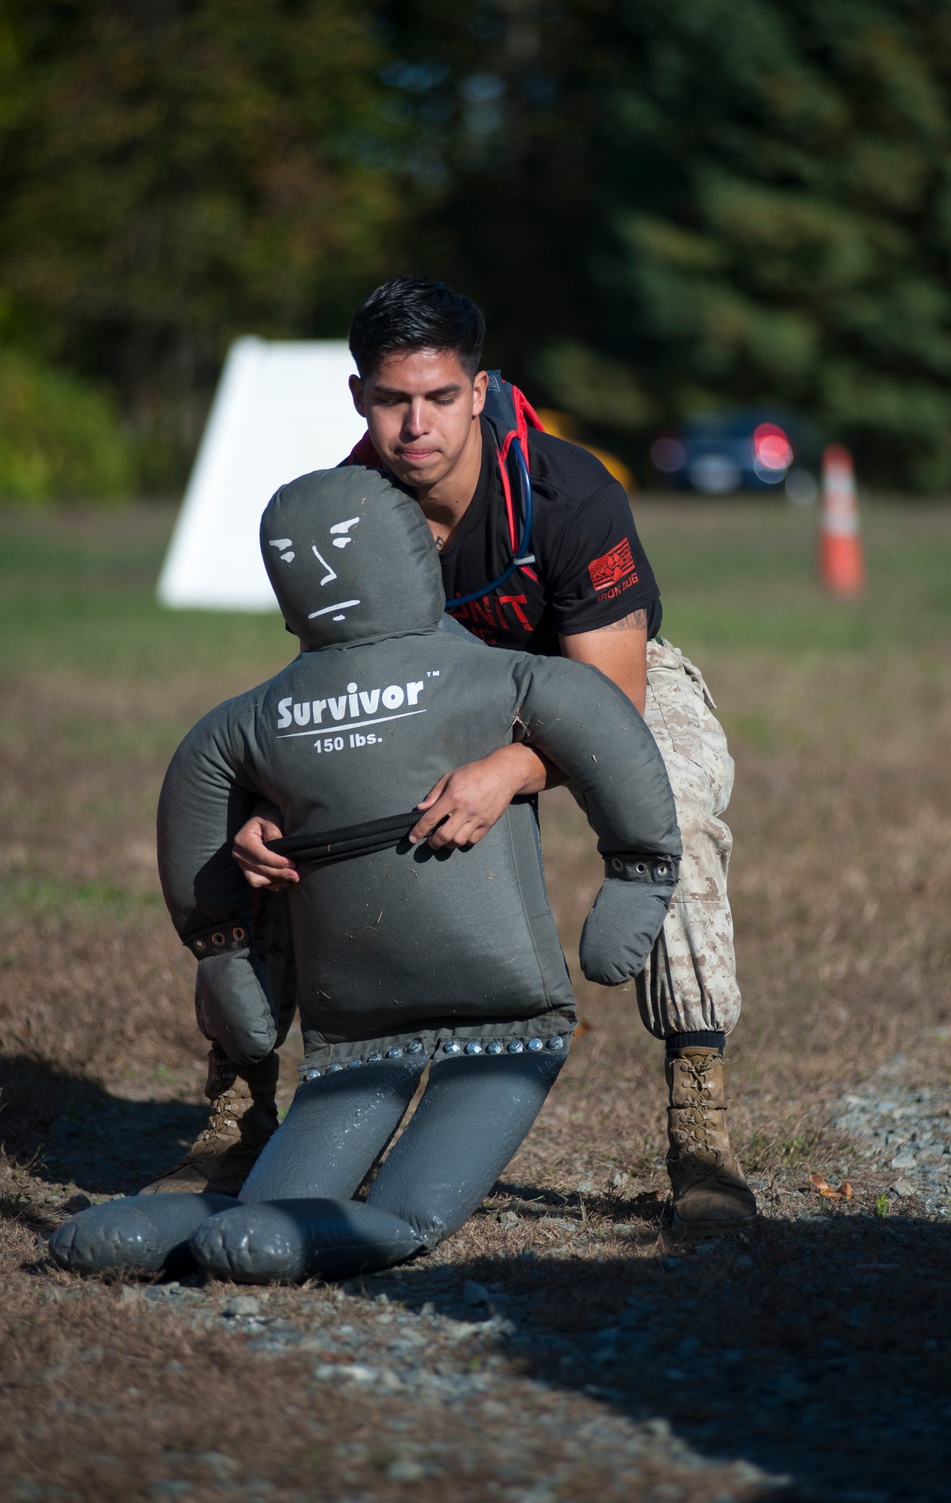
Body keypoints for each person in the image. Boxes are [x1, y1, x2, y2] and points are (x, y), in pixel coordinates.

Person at [144, 274, 756, 1235]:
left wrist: (511, 768)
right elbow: (321, 693)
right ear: (359, 398)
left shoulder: (571, 492)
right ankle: (239, 1112)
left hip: (595, 680)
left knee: (672, 797)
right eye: (392, 399)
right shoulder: (341, 509)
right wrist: (275, 804)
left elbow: (610, 702)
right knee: (266, 829)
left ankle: (700, 1126)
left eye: (438, 397)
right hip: (422, 706)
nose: (415, 424)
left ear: (478, 390)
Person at [51, 465, 680, 1282]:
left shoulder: (300, 705)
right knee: (284, 1195)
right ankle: (232, 1219)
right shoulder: (307, 709)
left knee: (400, 1196)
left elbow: (604, 719)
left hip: (492, 1017)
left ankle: (312, 1224)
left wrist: (635, 870)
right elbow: (201, 798)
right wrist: (225, 943)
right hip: (370, 1030)